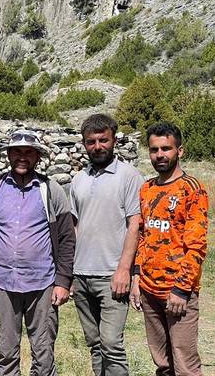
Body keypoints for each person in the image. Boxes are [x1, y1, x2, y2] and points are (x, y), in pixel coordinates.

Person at [0, 129, 76, 376]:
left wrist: (63, 281)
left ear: (37, 157)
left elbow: (66, 239)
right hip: (2, 283)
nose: (22, 157)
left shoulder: (51, 190)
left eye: (28, 152)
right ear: (8, 155)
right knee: (6, 353)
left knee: (43, 354)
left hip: (43, 284)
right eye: (17, 151)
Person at [130, 122, 209, 376]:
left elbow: (196, 247)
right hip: (149, 290)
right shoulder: (147, 189)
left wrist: (181, 289)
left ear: (180, 151)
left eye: (166, 148)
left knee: (185, 365)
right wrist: (135, 277)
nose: (160, 155)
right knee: (163, 364)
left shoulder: (192, 190)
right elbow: (143, 237)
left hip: (177, 294)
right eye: (154, 150)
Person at [69, 114, 144, 376]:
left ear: (114, 140)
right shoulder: (78, 179)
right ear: (84, 143)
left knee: (112, 344)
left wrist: (125, 270)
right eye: (91, 141)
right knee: (95, 345)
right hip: (81, 276)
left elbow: (135, 225)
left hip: (112, 275)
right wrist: (69, 274)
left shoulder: (129, 176)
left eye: (103, 140)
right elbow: (75, 228)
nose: (98, 146)